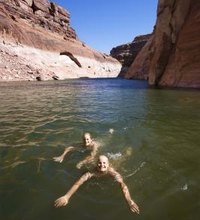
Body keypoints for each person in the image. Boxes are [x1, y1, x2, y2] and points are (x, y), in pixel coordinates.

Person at [54, 155, 140, 214]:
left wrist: (129, 201)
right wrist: (67, 196)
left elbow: (123, 185)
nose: (102, 165)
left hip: (114, 165)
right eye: (99, 162)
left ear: (108, 164)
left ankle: (128, 152)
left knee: (122, 158)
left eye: (104, 163)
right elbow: (78, 183)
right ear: (96, 164)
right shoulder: (91, 173)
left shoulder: (112, 172)